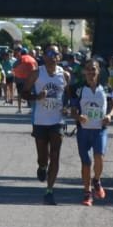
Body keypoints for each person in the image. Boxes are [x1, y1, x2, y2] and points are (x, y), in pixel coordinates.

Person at [22, 44, 70, 205]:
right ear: (43, 56)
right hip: (40, 121)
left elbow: (69, 96)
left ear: (59, 57)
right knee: (43, 157)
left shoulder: (65, 75)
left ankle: (49, 191)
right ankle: (42, 167)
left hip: (57, 120)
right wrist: (36, 96)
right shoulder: (37, 74)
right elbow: (24, 93)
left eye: (55, 53)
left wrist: (68, 108)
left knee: (55, 155)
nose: (52, 56)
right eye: (49, 53)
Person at [74, 58, 113, 206]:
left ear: (98, 71)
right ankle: (87, 193)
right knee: (86, 162)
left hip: (100, 130)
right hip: (83, 131)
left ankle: (96, 180)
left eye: (94, 69)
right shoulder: (79, 88)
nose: (91, 72)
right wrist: (78, 116)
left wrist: (109, 115)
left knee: (99, 157)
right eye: (89, 69)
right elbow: (72, 108)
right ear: (85, 71)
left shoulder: (105, 88)